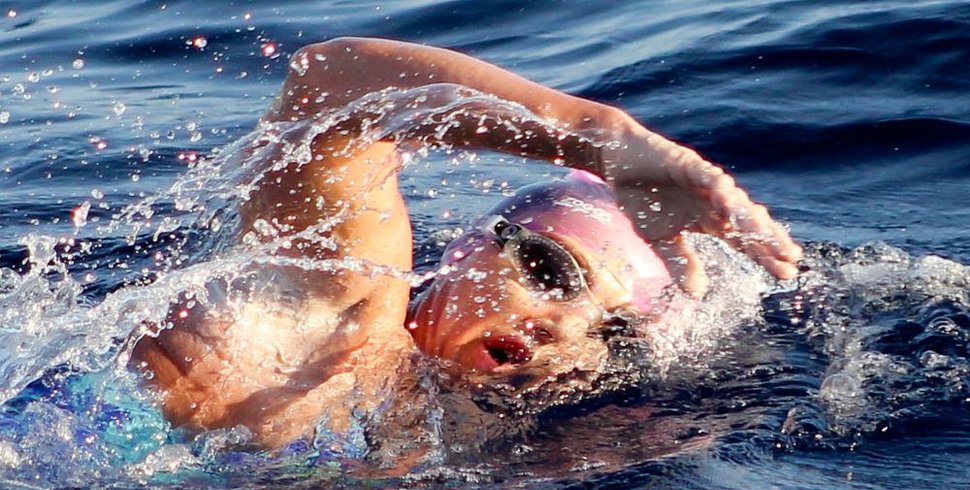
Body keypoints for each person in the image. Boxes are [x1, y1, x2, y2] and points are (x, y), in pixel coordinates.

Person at [131, 37, 801, 450]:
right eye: (552, 270)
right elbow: (328, 86)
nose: (567, 323)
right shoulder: (327, 323)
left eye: (617, 331)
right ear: (470, 251)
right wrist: (602, 139)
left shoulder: (512, 445)